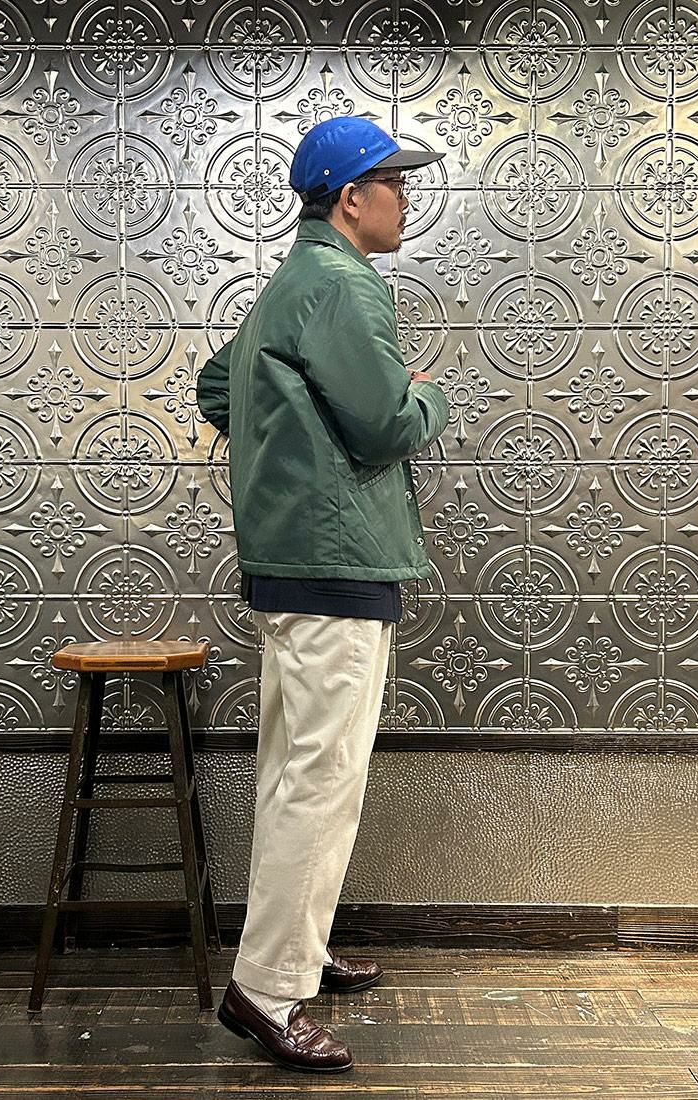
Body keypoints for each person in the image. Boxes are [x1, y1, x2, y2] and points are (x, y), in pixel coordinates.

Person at [195, 117, 449, 1074]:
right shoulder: (345, 283)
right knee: (321, 780)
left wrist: (288, 444)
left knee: (291, 772)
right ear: (351, 197)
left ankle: (298, 947)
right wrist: (427, 395)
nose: (405, 201)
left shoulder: (287, 284)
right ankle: (267, 991)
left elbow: (217, 389)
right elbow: (386, 426)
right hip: (338, 566)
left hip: (289, 563)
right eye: (395, 184)